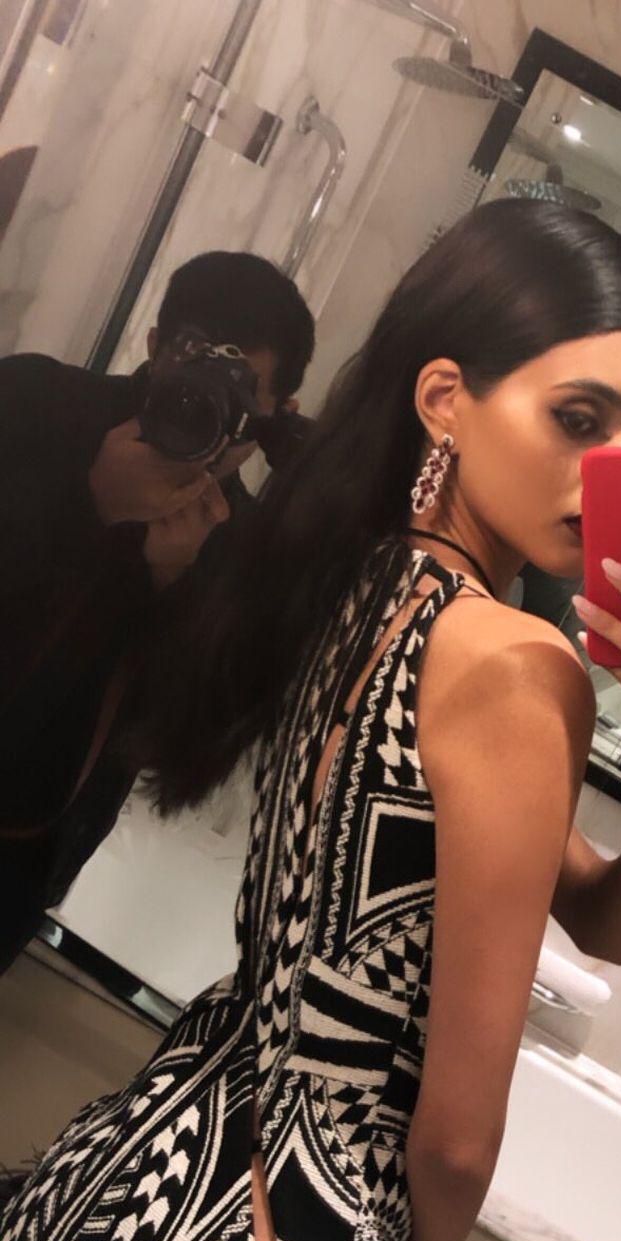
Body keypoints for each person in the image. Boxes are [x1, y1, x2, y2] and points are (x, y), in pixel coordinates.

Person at [0, 201, 621, 1241]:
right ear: (446, 400)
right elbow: (456, 1139)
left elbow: (598, 916)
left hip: (119, 1188)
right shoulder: (519, 668)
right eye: (577, 415)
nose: (609, 466)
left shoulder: (362, 586)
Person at [0, 250, 316, 974]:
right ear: (153, 346)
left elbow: (187, 752)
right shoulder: (35, 401)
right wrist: (89, 504)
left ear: (277, 417)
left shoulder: (241, 548)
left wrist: (172, 587)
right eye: (193, 364)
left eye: (241, 393)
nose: (207, 402)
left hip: (21, 855)